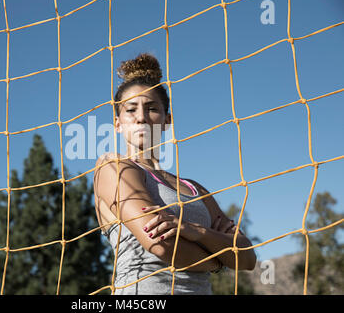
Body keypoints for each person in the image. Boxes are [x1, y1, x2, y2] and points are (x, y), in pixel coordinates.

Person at [93, 53, 256, 295]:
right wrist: (218, 261)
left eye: (151, 108)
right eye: (130, 110)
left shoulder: (195, 188)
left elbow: (247, 257)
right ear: (117, 123)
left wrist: (196, 230)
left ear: (167, 120)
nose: (141, 117)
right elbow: (160, 245)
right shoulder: (112, 166)